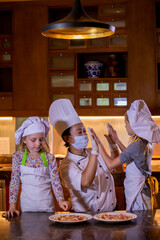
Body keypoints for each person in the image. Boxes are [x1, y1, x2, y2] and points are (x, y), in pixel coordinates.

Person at [49, 99, 123, 213]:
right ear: (68, 138)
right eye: (79, 132)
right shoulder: (66, 165)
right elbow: (86, 181)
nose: (84, 134)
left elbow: (118, 169)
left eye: (84, 131)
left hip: (110, 214)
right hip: (85, 218)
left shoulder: (94, 152)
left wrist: (113, 145)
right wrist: (94, 152)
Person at [93, 99, 160, 211]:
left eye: (126, 123)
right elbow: (130, 155)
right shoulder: (144, 142)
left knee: (139, 223)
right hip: (144, 190)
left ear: (134, 125)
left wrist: (98, 143)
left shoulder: (137, 146)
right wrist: (116, 140)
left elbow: (110, 165)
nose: (125, 126)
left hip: (139, 192)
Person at [3, 117, 70, 218]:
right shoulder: (18, 157)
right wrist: (12, 206)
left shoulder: (49, 158)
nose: (38, 143)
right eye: (33, 140)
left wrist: (61, 200)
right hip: (26, 207)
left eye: (41, 139)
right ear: (24, 139)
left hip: (46, 206)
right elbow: (14, 182)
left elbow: (55, 181)